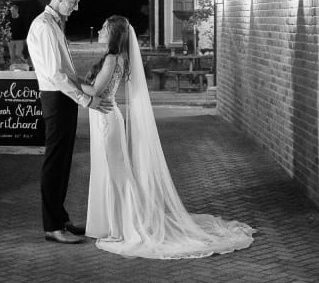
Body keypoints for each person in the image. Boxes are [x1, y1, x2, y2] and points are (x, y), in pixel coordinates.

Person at [81, 15, 255, 259]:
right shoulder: (119, 58)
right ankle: (116, 223)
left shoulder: (112, 58)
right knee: (113, 172)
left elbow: (96, 91)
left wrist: (68, 81)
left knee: (116, 173)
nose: (99, 30)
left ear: (114, 34)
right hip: (106, 119)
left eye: (104, 28)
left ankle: (124, 227)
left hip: (106, 121)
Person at [26, 0, 113, 244]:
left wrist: (85, 86)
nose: (76, 7)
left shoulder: (54, 24)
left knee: (63, 162)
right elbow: (54, 74)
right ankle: (52, 227)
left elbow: (65, 71)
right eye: (74, 1)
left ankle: (60, 219)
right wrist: (85, 100)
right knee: (55, 162)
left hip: (61, 97)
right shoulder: (43, 25)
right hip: (56, 98)